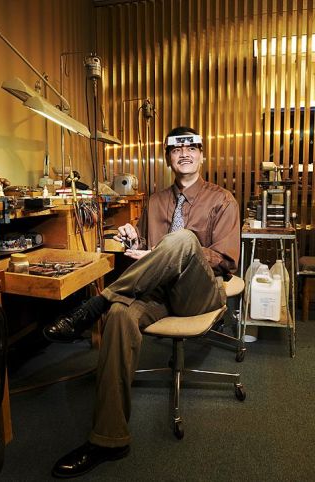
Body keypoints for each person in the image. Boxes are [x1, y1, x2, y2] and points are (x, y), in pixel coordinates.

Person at [44, 126, 240, 478]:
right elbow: (149, 251)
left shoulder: (223, 200)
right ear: (167, 157)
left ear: (201, 154)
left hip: (201, 292)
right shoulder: (155, 201)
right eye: (176, 149)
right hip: (159, 293)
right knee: (120, 314)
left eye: (192, 147)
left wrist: (178, 249)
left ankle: (97, 302)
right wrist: (133, 234)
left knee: (182, 240)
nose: (185, 153)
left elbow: (226, 260)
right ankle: (109, 439)